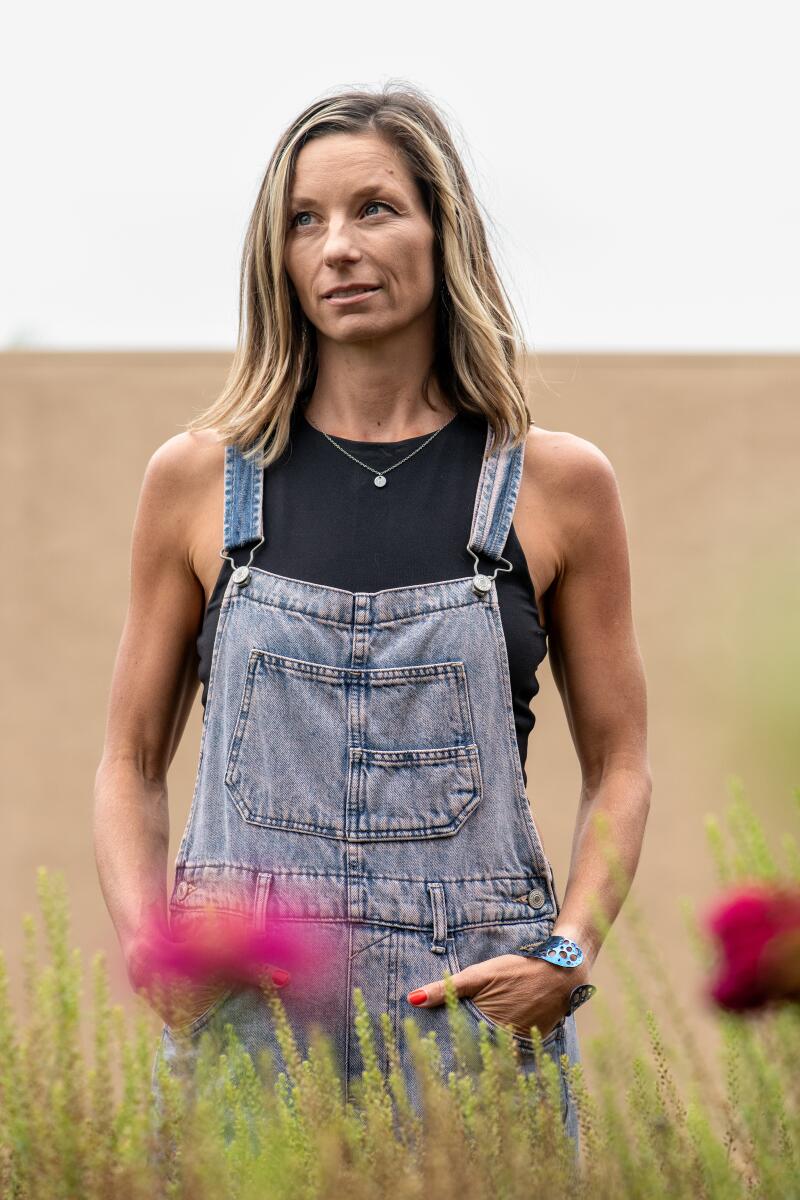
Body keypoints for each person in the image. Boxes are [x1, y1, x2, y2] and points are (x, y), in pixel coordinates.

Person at [93, 83, 652, 1149]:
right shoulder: (196, 482)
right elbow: (127, 757)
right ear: (279, 257)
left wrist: (565, 954)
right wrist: (150, 949)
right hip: (248, 1020)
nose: (337, 246)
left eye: (374, 209)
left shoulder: (555, 486)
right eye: (305, 220)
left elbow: (619, 763)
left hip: (471, 1021)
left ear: (443, 230)